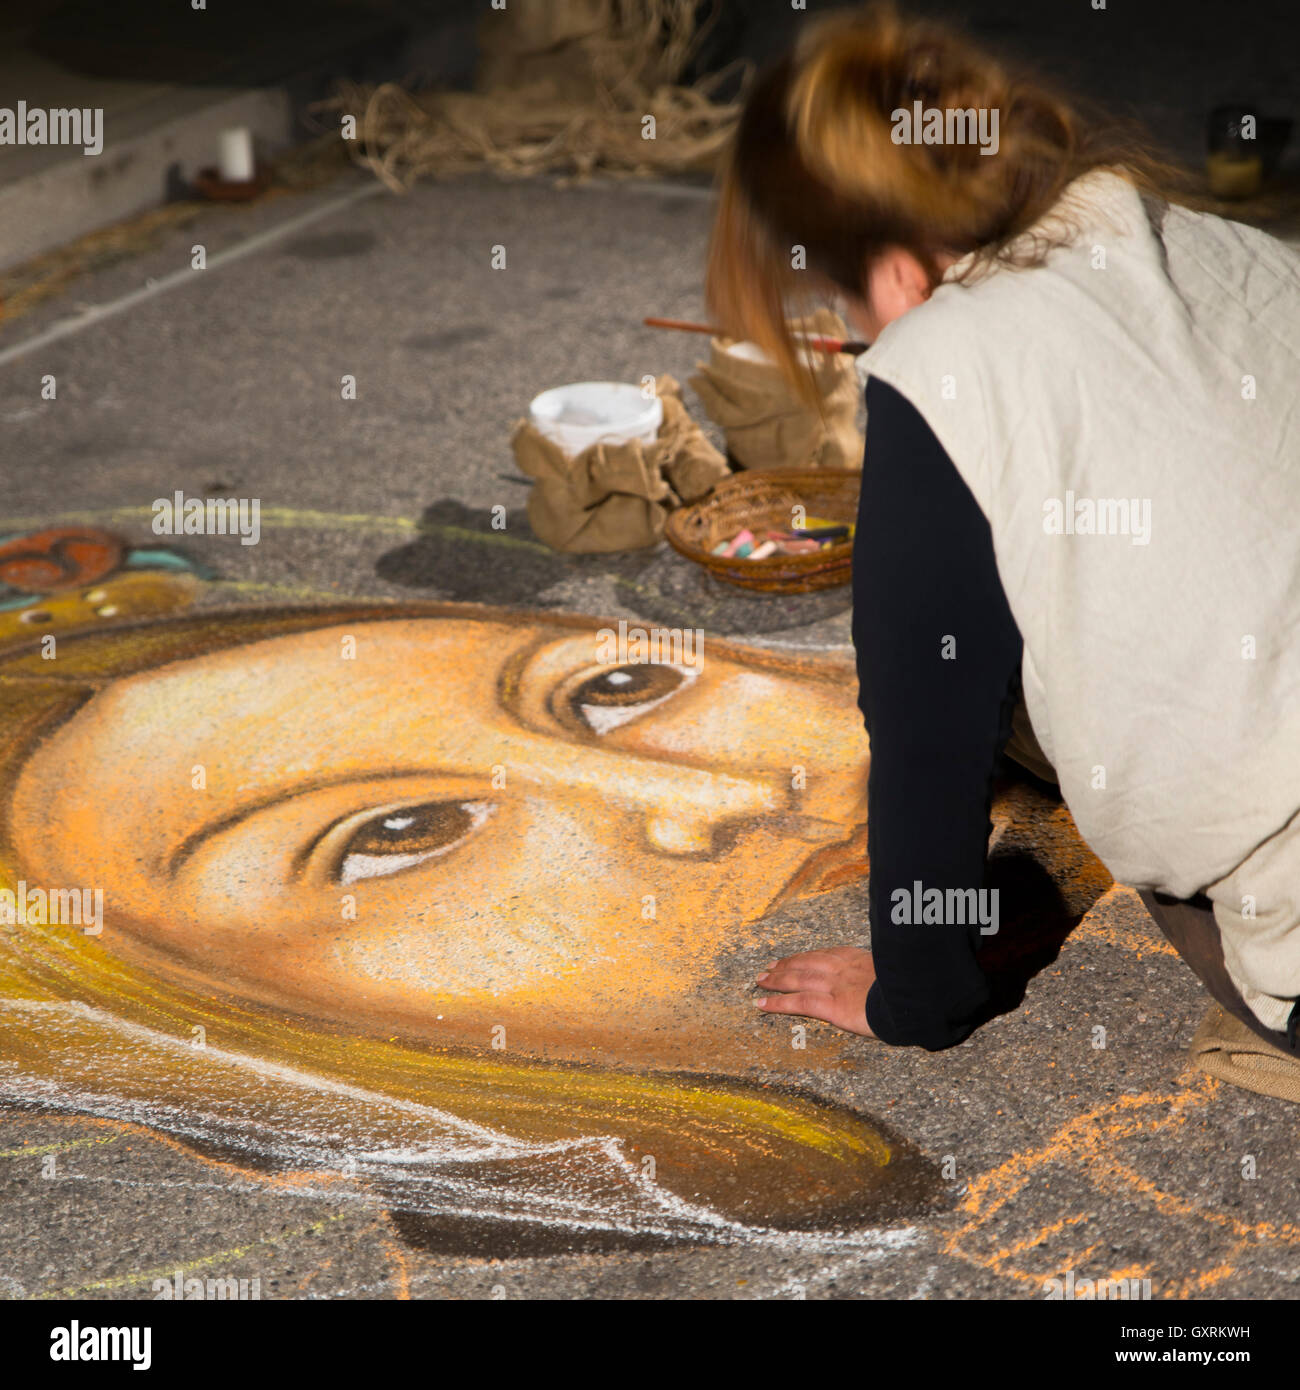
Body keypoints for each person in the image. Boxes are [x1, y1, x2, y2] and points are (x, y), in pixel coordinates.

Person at [707, 4, 1300, 1066]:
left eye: (848, 304)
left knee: (1004, 680)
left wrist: (914, 995)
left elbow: (922, 740)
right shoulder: (1183, 234)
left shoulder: (941, 360)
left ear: (892, 275)